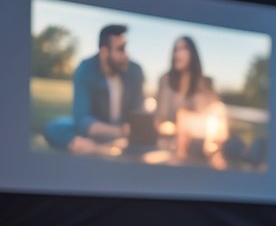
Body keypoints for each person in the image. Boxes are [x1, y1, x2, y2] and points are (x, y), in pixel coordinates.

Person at [42, 24, 145, 153]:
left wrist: (133, 130)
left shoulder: (134, 71)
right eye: (121, 49)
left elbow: (139, 114)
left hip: (126, 134)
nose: (126, 55)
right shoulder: (85, 70)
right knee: (54, 127)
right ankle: (93, 147)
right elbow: (82, 118)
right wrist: (120, 131)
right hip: (97, 131)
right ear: (104, 52)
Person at [155, 35, 230, 166]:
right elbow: (157, 121)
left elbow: (216, 120)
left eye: (183, 49)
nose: (178, 54)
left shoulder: (205, 84)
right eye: (176, 50)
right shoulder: (165, 80)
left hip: (198, 151)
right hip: (168, 147)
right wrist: (177, 128)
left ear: (192, 54)